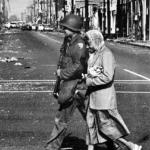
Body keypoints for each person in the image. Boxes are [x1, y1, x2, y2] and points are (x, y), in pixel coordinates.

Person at [83, 30, 142, 150]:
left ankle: (129, 145)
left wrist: (89, 81)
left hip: (103, 98)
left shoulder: (106, 54)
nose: (87, 45)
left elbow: (107, 77)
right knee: (91, 126)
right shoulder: (95, 53)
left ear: (95, 41)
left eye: (88, 42)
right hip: (92, 97)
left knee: (106, 127)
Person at [45, 14, 88, 150]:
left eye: (65, 27)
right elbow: (65, 60)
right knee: (94, 118)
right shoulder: (69, 41)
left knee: (62, 119)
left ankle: (51, 147)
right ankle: (117, 144)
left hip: (77, 86)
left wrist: (61, 73)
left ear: (72, 28)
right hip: (71, 85)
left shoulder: (79, 44)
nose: (63, 29)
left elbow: (78, 66)